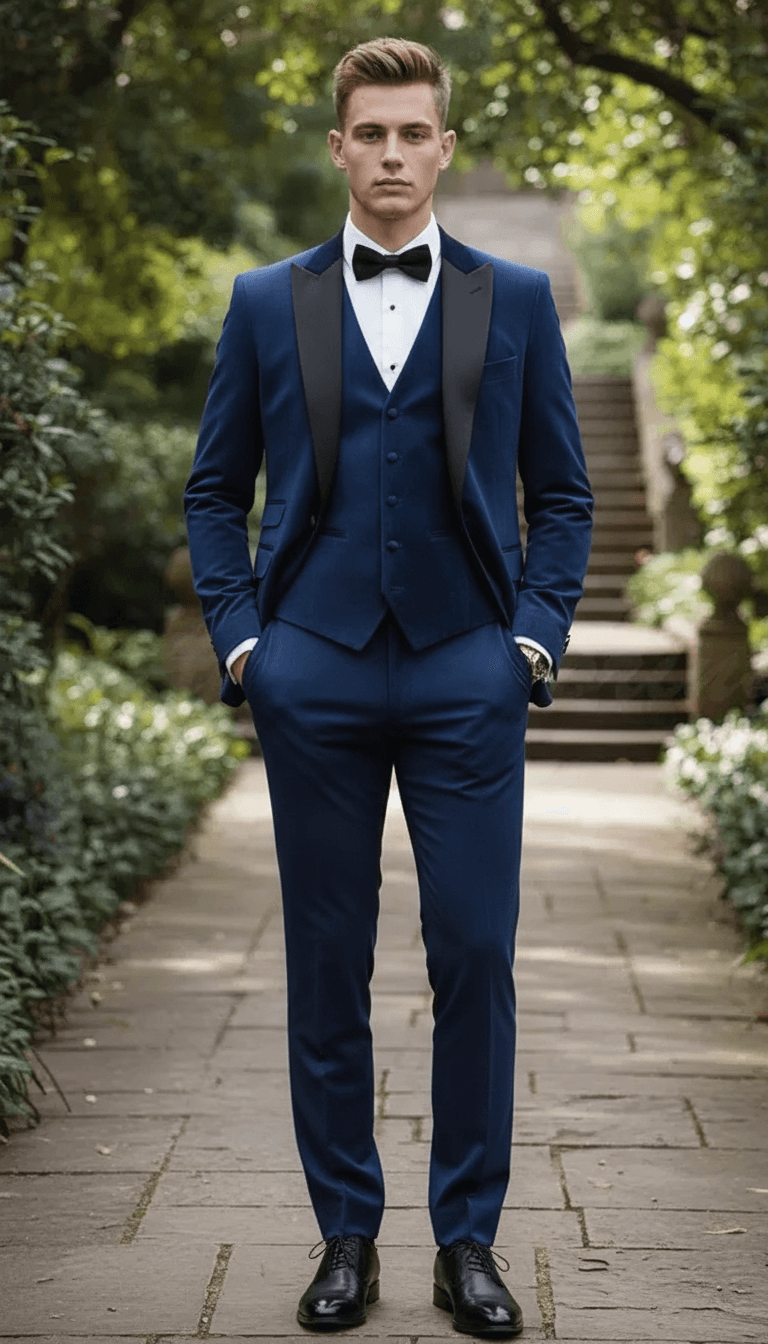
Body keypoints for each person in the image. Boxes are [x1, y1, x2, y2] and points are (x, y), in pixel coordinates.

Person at [185, 36, 592, 1336]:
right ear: (339, 147)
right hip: (314, 666)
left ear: (446, 147)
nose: (395, 156)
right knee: (327, 964)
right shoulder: (266, 302)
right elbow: (213, 491)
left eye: (416, 133)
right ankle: (345, 1236)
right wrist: (248, 643)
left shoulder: (514, 298)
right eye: (373, 134)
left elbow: (567, 494)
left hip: (471, 666)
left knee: (475, 955)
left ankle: (467, 1243)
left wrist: (532, 637)